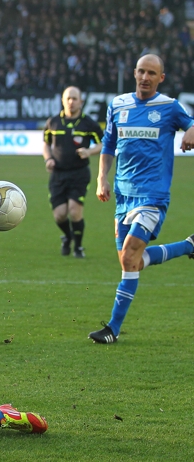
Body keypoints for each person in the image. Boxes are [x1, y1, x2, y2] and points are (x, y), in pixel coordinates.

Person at [89, 54, 194, 344]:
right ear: (134, 73)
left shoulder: (169, 107)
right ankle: (188, 245)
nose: (144, 77)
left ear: (161, 78)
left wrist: (191, 130)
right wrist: (102, 177)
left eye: (151, 73)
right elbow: (109, 143)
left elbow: (191, 122)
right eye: (141, 71)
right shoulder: (118, 105)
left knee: (130, 255)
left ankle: (113, 328)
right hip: (123, 197)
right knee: (130, 262)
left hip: (153, 196)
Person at [43, 86, 103, 258]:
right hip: (58, 174)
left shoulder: (89, 124)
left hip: (79, 173)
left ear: (81, 102)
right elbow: (46, 143)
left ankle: (78, 247)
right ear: (63, 101)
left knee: (75, 211)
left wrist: (89, 151)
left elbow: (102, 143)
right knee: (60, 215)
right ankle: (68, 238)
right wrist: (48, 159)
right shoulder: (53, 122)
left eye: (75, 98)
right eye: (68, 98)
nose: (71, 102)